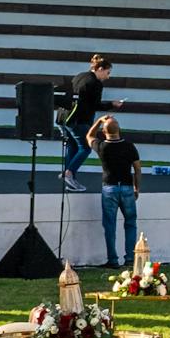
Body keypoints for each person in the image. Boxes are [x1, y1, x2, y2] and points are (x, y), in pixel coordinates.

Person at [58, 54, 123, 193]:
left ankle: (69, 176)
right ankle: (69, 173)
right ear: (100, 69)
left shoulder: (80, 76)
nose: (108, 76)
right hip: (79, 119)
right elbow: (96, 105)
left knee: (73, 146)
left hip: (65, 117)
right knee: (86, 148)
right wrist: (112, 104)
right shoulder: (96, 83)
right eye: (107, 72)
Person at [90, 115, 141, 268]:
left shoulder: (102, 146)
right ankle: (130, 258)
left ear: (104, 132)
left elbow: (89, 135)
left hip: (109, 187)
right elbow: (137, 169)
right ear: (119, 129)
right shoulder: (129, 146)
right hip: (126, 187)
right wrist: (136, 188)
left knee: (110, 225)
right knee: (131, 223)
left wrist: (99, 121)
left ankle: (112, 259)